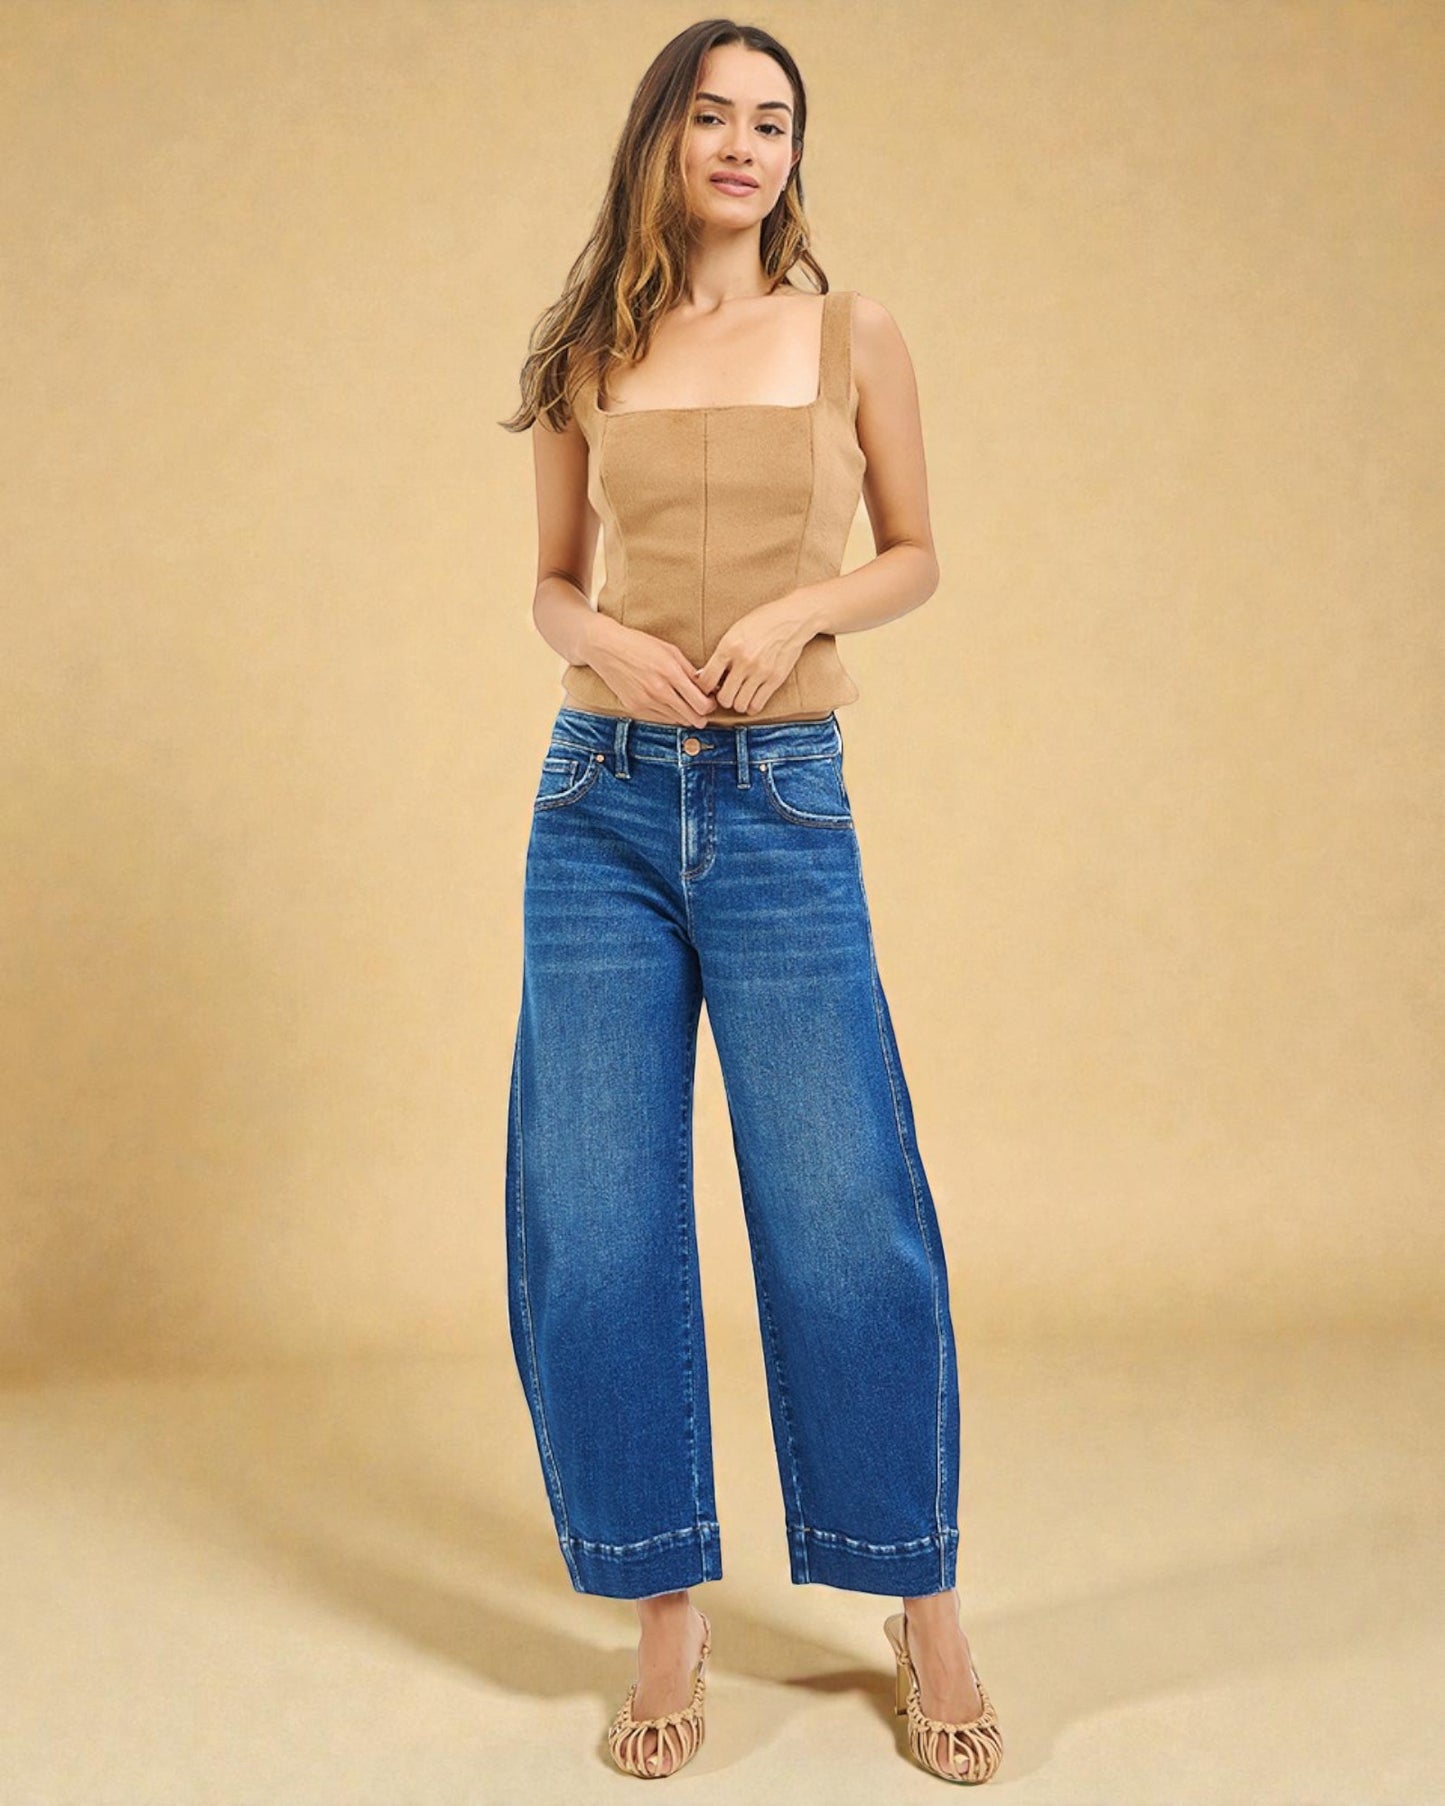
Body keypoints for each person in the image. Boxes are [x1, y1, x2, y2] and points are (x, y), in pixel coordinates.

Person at [499, 18, 1003, 1785]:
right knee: (601, 1222)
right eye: (710, 114)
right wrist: (610, 642)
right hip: (600, 809)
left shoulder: (851, 330)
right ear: (663, 135)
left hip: (783, 803)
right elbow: (551, 591)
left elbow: (917, 551)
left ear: (796, 152)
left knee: (840, 1206)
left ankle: (920, 1603)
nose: (740, 144)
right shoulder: (588, 348)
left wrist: (802, 613)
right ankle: (663, 1610)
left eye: (770, 121)